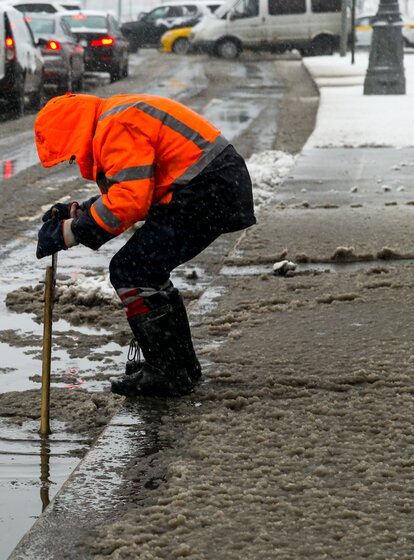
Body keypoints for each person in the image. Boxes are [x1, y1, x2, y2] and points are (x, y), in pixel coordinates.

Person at [34, 93, 256, 397]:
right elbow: (137, 185)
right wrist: (79, 212)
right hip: (212, 184)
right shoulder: (113, 117)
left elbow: (129, 201)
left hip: (206, 189)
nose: (73, 161)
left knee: (131, 270)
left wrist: (68, 232)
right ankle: (180, 367)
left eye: (70, 154)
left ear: (73, 132)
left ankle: (168, 372)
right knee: (146, 270)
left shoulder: (115, 125)